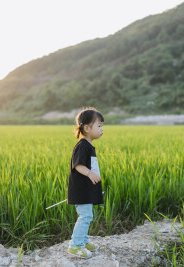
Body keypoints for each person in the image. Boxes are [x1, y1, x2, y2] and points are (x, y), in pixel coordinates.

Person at [67, 107, 104, 259]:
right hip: (80, 190)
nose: (102, 129)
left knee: (87, 215)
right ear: (87, 128)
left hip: (86, 190)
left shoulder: (88, 146)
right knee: (85, 216)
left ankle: (83, 240)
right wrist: (89, 173)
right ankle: (75, 245)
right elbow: (78, 165)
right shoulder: (82, 146)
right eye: (99, 125)